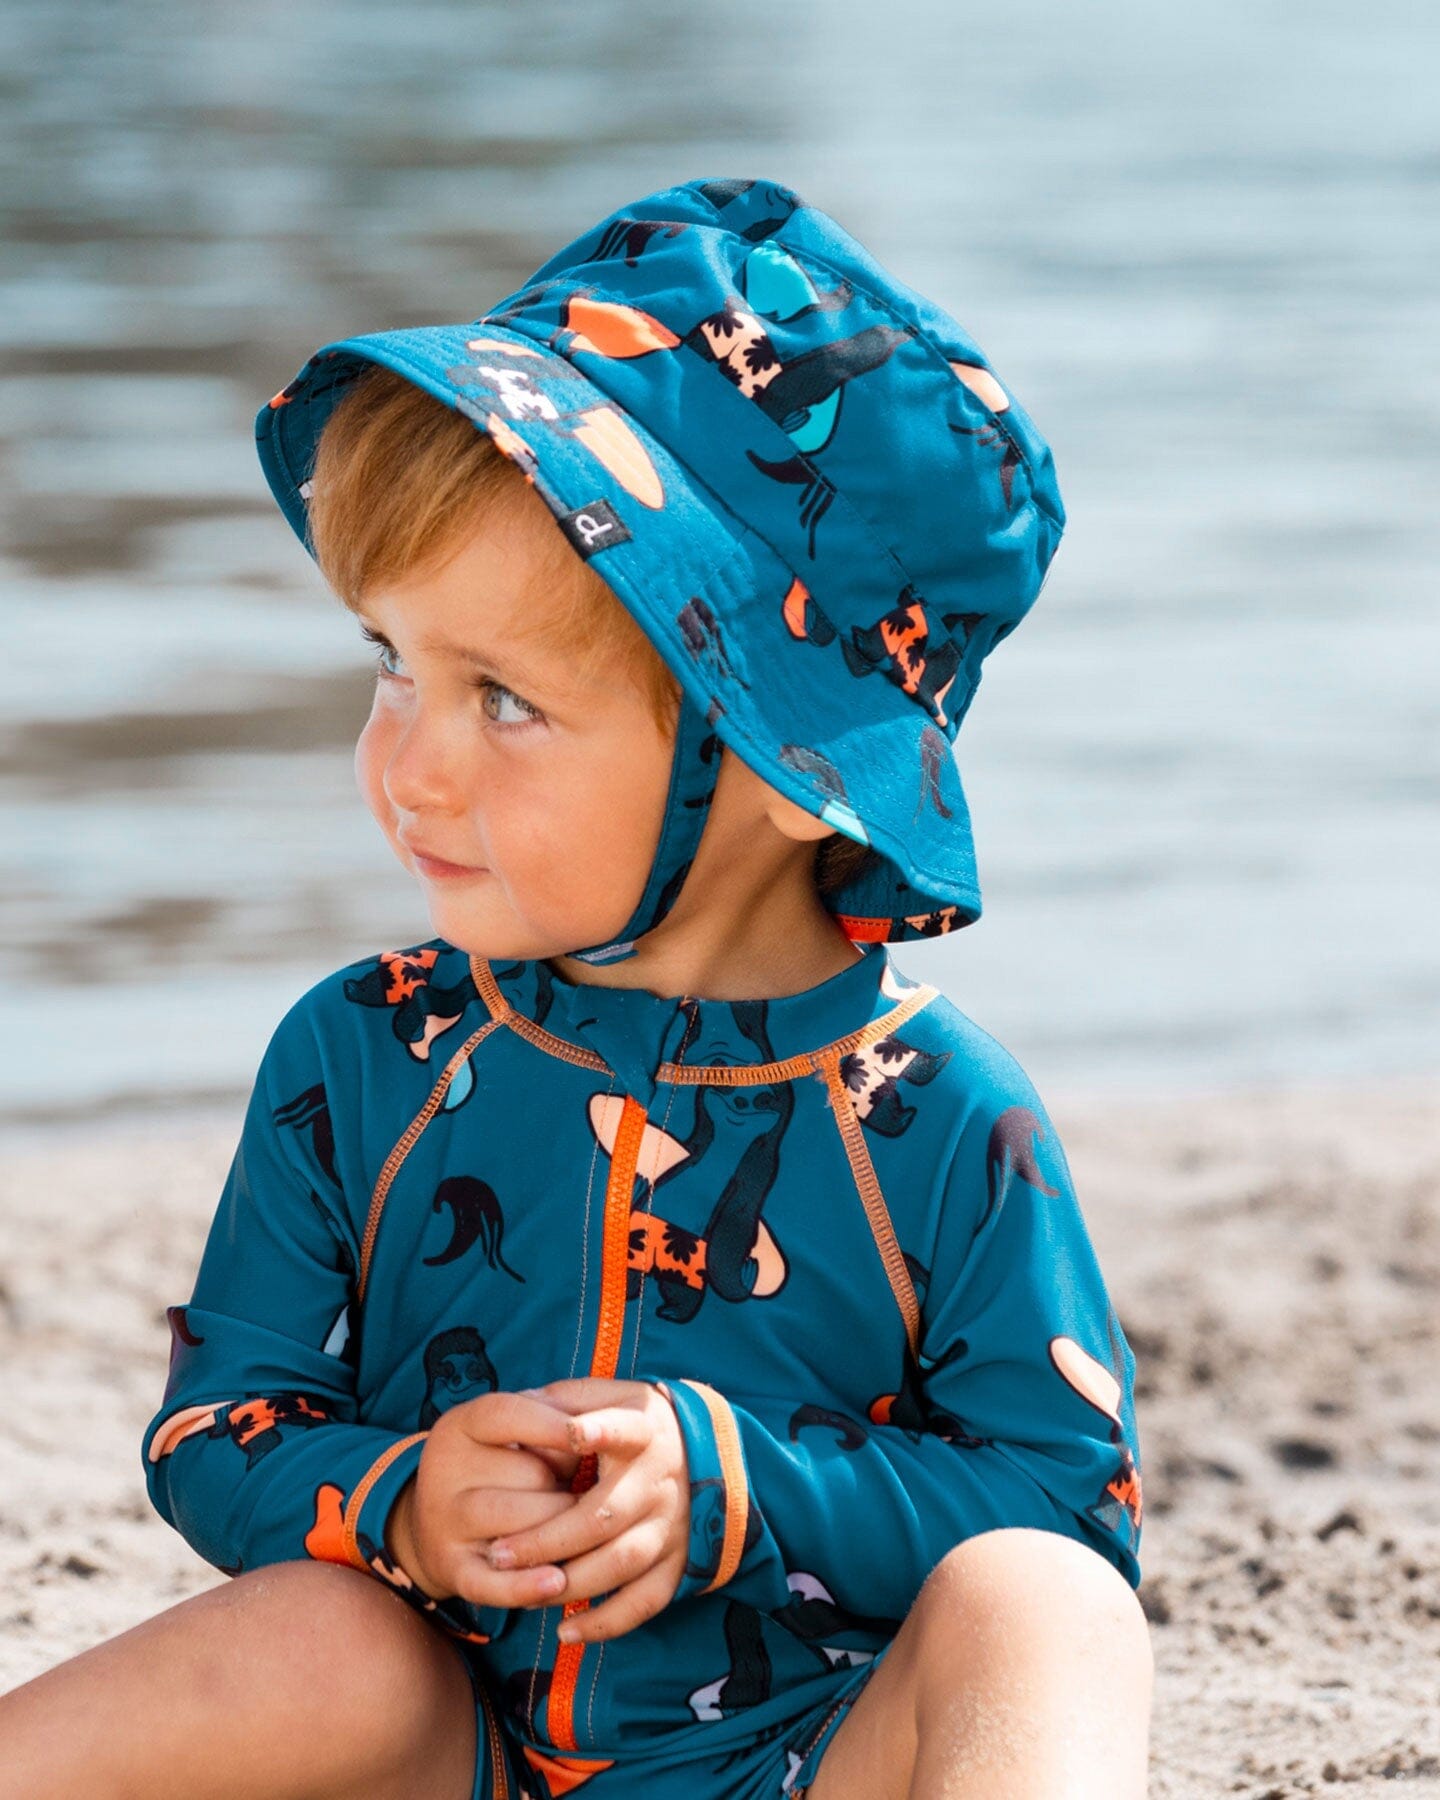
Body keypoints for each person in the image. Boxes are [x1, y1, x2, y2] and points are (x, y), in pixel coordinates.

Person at [0, 176, 1152, 1799]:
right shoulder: (370, 1050)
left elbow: (1066, 1503)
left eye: (506, 703)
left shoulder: (948, 1124)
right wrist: (396, 1499)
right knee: (320, 1640)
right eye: (394, 662)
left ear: (780, 767)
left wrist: (752, 1491)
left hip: (804, 1767)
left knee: (1044, 1614)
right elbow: (218, 1427)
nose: (407, 764)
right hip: (441, 1763)